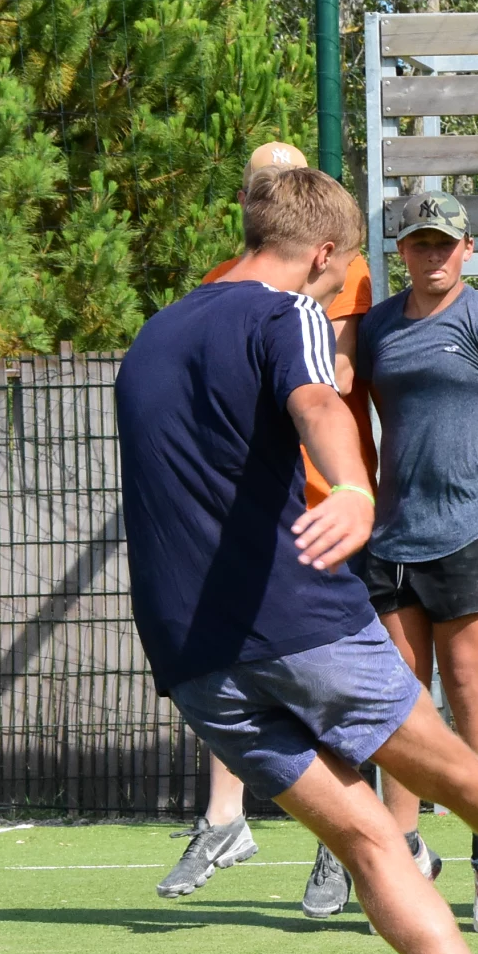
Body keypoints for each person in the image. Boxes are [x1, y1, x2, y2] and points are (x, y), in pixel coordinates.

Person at [115, 164, 478, 954]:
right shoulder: (286, 314)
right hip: (296, 617)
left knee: (371, 841)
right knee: (443, 764)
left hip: (192, 660)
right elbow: (318, 404)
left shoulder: (154, 333)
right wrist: (351, 487)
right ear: (325, 254)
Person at [296, 193, 478, 932]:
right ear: (400, 252)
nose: (432, 254)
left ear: (467, 249)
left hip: (473, 531)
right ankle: (402, 856)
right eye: (418, 243)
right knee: (398, 699)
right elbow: (334, 384)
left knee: (468, 688)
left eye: (444, 243)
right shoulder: (375, 326)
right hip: (393, 534)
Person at [159, 140, 379, 901]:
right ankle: (225, 819)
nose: (272, 190)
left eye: (285, 180)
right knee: (228, 661)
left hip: (323, 500)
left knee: (328, 681)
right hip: (244, 511)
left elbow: (332, 378)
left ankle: (342, 839)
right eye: (262, 183)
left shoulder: (339, 267)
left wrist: (353, 487)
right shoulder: (221, 282)